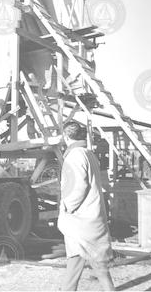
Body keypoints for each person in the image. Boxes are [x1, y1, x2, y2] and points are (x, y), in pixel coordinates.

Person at [58, 121, 115, 291]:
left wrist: (67, 207)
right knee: (99, 264)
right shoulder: (88, 153)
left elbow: (77, 187)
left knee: (76, 257)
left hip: (80, 220)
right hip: (93, 215)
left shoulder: (74, 156)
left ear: (66, 136)